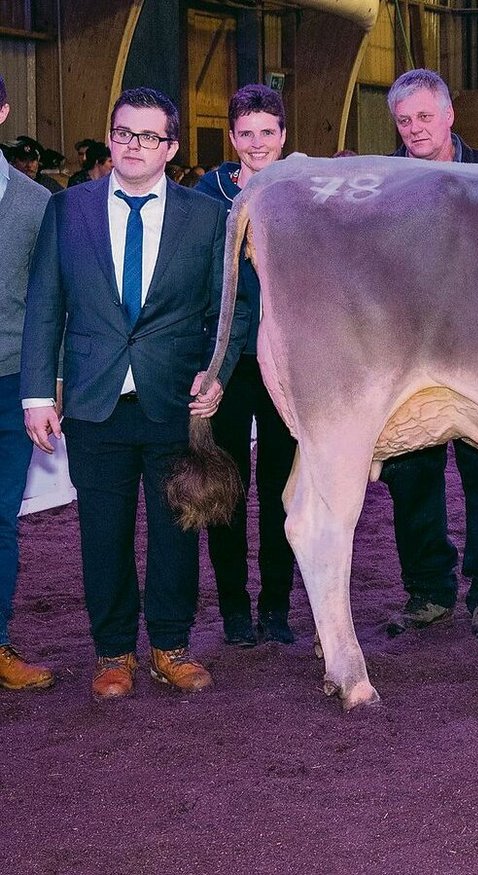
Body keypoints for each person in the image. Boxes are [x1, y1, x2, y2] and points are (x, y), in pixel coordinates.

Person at [21, 87, 249, 700]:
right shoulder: (67, 209)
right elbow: (45, 303)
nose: (133, 146)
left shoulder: (207, 217)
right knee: (103, 535)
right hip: (94, 404)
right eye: (124, 133)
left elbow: (233, 308)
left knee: (177, 532)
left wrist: (217, 372)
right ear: (110, 137)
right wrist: (37, 394)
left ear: (171, 148)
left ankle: (170, 647)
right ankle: (113, 652)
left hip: (173, 401)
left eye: (149, 136)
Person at [379, 68, 478, 643]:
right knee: (411, 476)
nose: (415, 128)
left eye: (424, 116)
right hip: (408, 357)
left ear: (449, 116)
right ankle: (428, 591)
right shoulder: (382, 182)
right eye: (404, 120)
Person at [195, 84, 298, 647]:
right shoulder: (207, 196)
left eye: (267, 132)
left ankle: (277, 607)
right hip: (228, 363)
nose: (257, 143)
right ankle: (234, 608)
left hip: (288, 362)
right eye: (246, 133)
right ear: (232, 138)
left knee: (283, 487)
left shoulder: (304, 192)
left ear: (283, 135)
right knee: (227, 486)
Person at [0, 74, 54, 691]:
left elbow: (50, 303)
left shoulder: (37, 204)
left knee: (1, 521)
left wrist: (49, 381)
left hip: (10, 381)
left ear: (4, 111)